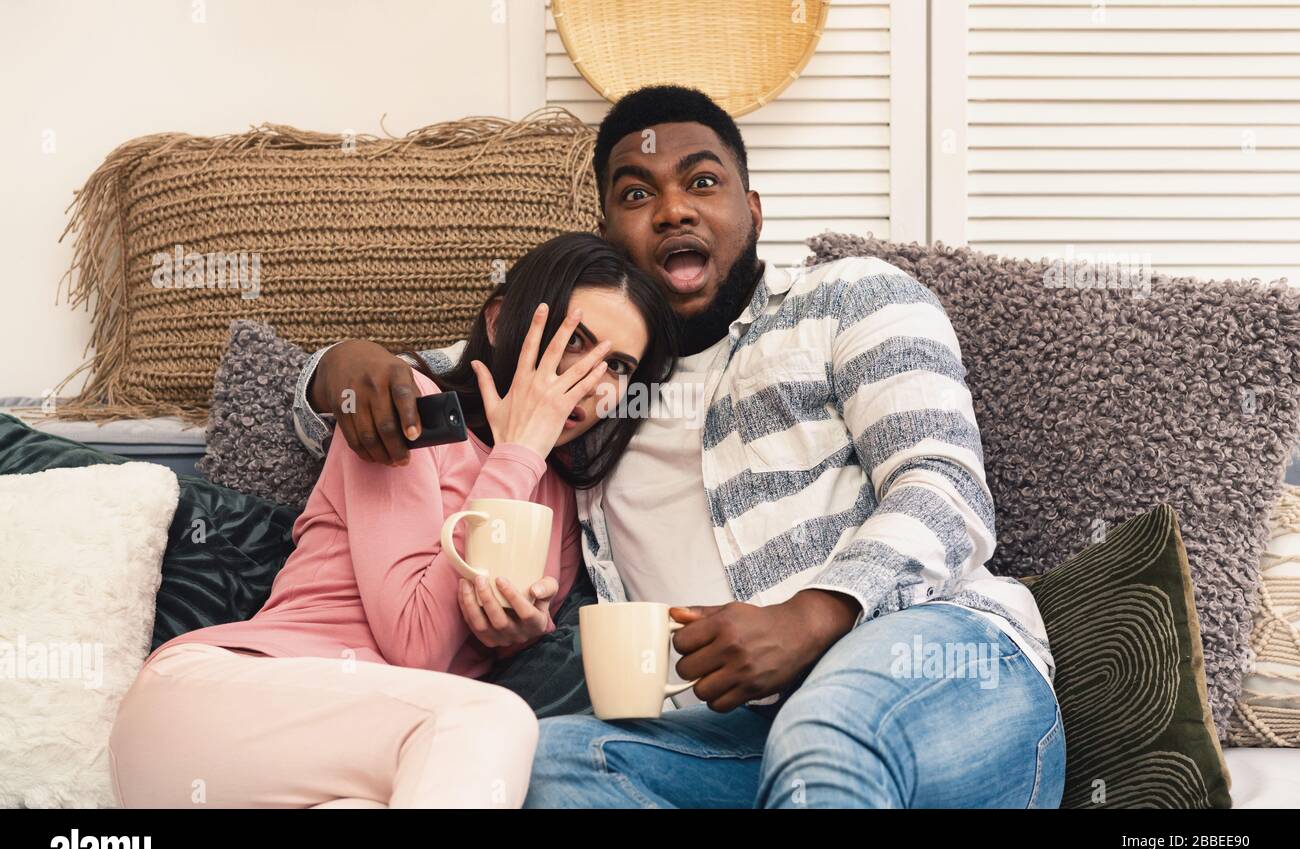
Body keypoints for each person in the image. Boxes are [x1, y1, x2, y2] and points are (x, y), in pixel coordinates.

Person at [290, 85, 1066, 809]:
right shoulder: (579, 381)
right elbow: (431, 391)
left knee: (825, 729)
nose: (671, 210)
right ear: (606, 237)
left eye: (702, 182)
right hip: (730, 734)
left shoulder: (848, 297)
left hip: (934, 666)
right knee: (547, 760)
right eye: (636, 193)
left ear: (753, 210)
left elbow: (942, 486)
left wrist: (810, 617)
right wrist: (339, 366)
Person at [107, 232, 678, 809]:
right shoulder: (408, 411)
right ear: (504, 323)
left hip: (348, 759)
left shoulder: (562, 505)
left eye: (618, 366)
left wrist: (518, 639)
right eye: (572, 340)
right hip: (212, 707)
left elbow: (451, 661)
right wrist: (518, 453)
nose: (588, 378)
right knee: (495, 719)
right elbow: (417, 644)